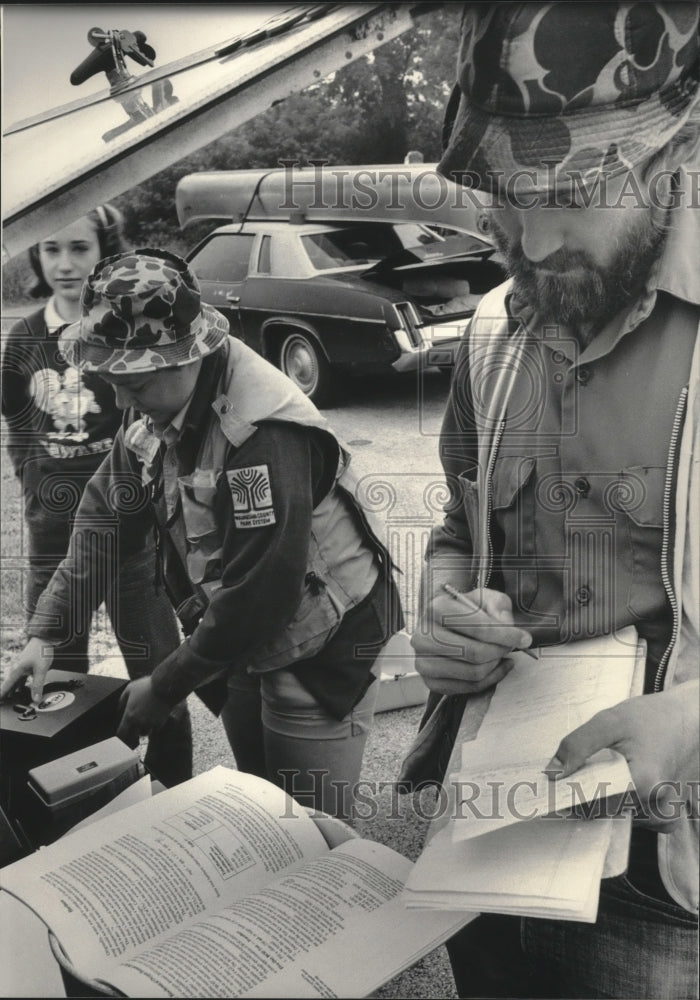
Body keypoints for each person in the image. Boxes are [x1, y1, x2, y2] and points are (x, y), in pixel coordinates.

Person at [410, 3, 699, 998]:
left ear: (681, 152)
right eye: (501, 192)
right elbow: (456, 530)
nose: (531, 239)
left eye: (573, 189)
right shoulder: (490, 327)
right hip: (487, 834)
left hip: (665, 884)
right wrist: (444, 607)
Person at [0, 248, 403, 821]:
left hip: (319, 645)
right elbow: (102, 520)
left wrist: (164, 686)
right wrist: (46, 633)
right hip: (234, 639)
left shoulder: (260, 438)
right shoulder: (154, 402)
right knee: (262, 806)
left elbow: (263, 591)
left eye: (131, 383)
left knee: (313, 827)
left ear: (178, 358)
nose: (120, 401)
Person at [1, 209, 191, 788]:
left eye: (79, 248)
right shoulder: (24, 336)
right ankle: (75, 795)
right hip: (52, 538)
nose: (64, 264)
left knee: (159, 674)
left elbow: (152, 425)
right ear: (35, 257)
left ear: (104, 252)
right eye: (50, 249)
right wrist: (34, 479)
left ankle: (173, 792)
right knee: (58, 677)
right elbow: (16, 417)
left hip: (131, 537)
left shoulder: (122, 334)